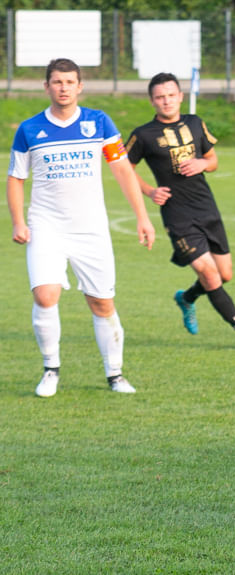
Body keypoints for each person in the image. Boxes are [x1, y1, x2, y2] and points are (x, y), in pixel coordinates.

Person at [6, 58, 156, 397]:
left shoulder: (99, 122)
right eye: (57, 82)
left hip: (91, 229)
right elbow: (15, 178)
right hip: (46, 226)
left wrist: (142, 216)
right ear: (46, 86)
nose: (63, 88)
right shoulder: (29, 129)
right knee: (45, 295)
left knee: (101, 303)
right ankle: (50, 370)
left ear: (80, 86)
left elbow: (122, 170)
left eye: (69, 82)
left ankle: (115, 374)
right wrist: (19, 221)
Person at [126, 72, 235, 352]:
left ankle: (187, 297)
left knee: (224, 274)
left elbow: (213, 159)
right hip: (177, 215)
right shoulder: (142, 135)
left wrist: (202, 165)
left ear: (180, 96)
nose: (166, 101)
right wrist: (150, 191)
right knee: (210, 274)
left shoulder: (195, 123)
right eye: (159, 97)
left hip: (207, 207)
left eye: (170, 95)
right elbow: (123, 169)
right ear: (151, 101)